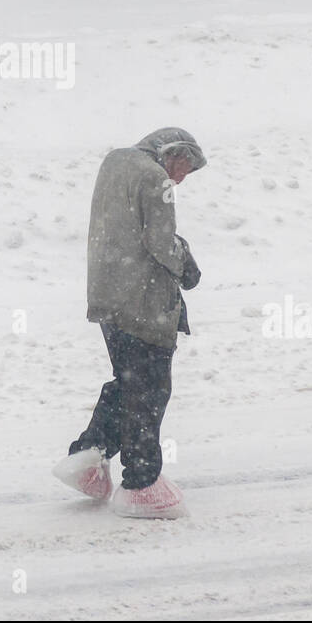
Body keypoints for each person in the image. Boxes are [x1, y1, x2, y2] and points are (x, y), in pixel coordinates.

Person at [53, 127, 205, 519]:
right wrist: (185, 262)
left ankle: (89, 456)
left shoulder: (114, 163)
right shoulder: (154, 176)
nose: (180, 178)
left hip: (108, 294)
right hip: (143, 299)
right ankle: (142, 484)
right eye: (183, 167)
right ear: (172, 151)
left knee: (129, 381)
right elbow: (160, 241)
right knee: (150, 391)